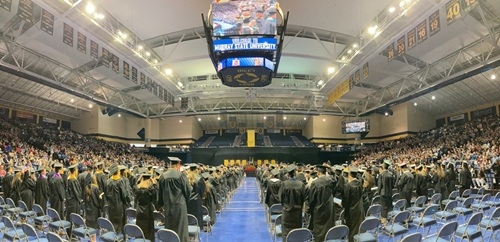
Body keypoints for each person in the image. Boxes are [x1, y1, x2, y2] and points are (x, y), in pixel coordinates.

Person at [157, 161, 191, 242]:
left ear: (170, 165)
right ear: (177, 165)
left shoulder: (163, 176)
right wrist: (186, 200)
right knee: (181, 229)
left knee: (170, 227)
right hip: (180, 207)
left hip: (168, 206)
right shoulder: (181, 176)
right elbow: (188, 191)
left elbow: (160, 193)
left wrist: (160, 205)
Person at [306, 165, 336, 242]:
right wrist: (330, 168)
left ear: (318, 173)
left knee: (319, 231)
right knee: (328, 228)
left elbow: (312, 199)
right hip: (329, 209)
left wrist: (309, 209)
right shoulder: (330, 180)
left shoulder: (315, 183)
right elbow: (335, 178)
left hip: (319, 210)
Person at [279, 165, 305, 241]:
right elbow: (304, 198)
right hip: (297, 214)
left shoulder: (284, 184)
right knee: (297, 233)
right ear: (295, 174)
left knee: (286, 234)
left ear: (287, 175)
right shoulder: (301, 184)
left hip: (286, 214)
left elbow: (281, 198)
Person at [342, 167, 364, 241]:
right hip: (359, 208)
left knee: (351, 229)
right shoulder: (359, 183)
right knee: (358, 227)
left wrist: (342, 205)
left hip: (351, 211)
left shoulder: (348, 185)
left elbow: (347, 201)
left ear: (349, 175)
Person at [105, 164, 129, 233]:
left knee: (112, 221)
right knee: (120, 223)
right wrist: (125, 203)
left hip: (111, 206)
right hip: (119, 206)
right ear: (117, 171)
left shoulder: (108, 181)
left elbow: (106, 195)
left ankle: (113, 236)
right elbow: (124, 195)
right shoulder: (120, 181)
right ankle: (120, 238)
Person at [135, 173, 157, 241]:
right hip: (148, 211)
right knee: (148, 230)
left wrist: (138, 180)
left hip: (139, 211)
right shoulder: (150, 190)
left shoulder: (137, 189)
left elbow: (135, 186)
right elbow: (156, 194)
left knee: (140, 227)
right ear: (149, 180)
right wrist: (154, 183)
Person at [186, 164, 206, 229]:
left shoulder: (186, 178)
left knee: (189, 218)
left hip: (188, 201)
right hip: (197, 201)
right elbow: (202, 190)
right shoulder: (199, 179)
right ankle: (195, 237)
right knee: (197, 219)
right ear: (196, 169)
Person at [84, 173, 101, 242]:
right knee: (93, 227)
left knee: (90, 226)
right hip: (94, 210)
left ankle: (91, 239)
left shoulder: (86, 188)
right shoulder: (95, 188)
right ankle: (93, 240)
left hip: (88, 210)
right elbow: (98, 200)